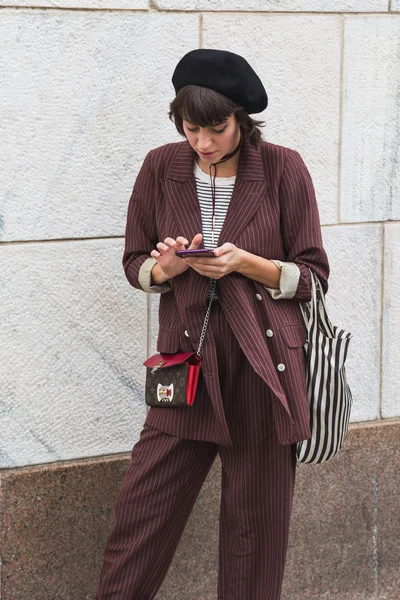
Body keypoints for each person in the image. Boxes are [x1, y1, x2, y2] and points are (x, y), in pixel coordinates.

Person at [95, 49, 329, 600]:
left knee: (256, 535)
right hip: (186, 368)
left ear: (242, 120)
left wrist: (244, 262)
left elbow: (314, 275)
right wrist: (167, 267)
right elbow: (135, 264)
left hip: (264, 370)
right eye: (190, 127)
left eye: (216, 128)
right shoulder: (160, 166)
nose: (203, 142)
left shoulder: (282, 167)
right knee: (140, 521)